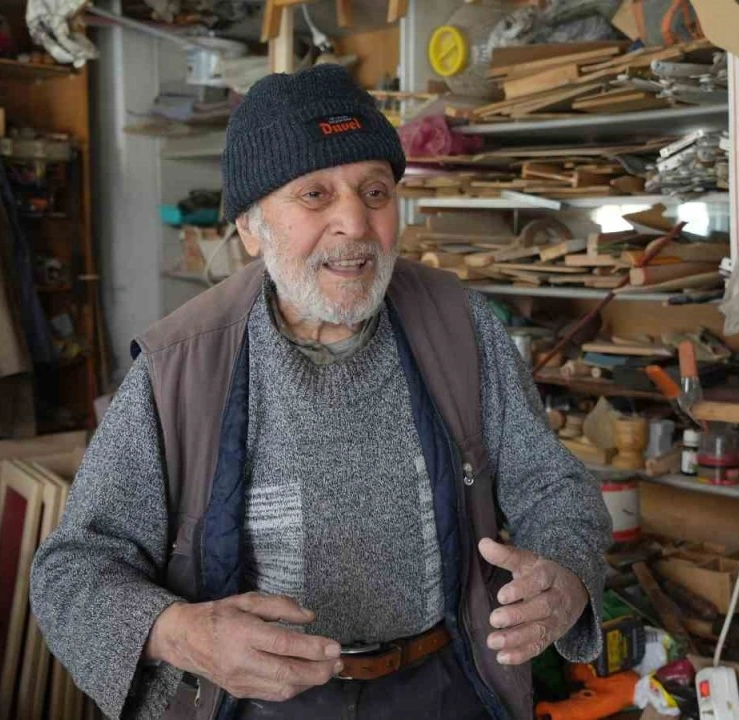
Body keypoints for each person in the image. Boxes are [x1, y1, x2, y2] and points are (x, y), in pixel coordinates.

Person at [31, 64, 611, 720]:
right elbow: (72, 571)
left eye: (375, 192)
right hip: (254, 704)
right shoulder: (180, 366)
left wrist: (566, 571)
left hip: (446, 687)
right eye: (315, 195)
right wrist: (184, 635)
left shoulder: (460, 323)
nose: (355, 224)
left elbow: (553, 487)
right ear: (251, 228)